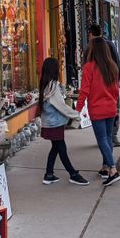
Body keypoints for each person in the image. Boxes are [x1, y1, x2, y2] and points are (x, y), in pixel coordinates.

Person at [38, 58, 90, 186]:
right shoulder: (53, 86)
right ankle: (73, 174)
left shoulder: (45, 84)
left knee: (55, 148)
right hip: (54, 124)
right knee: (61, 148)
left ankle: (49, 174)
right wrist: (75, 114)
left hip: (49, 123)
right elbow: (61, 106)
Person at [77, 37, 120, 186]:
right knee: (107, 138)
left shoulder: (89, 67)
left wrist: (77, 109)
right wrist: (115, 107)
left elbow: (84, 91)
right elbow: (116, 91)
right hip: (110, 108)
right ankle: (105, 167)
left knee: (102, 139)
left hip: (97, 109)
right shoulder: (112, 66)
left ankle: (113, 169)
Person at [83, 24, 120, 147]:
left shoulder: (89, 47)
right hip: (111, 84)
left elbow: (85, 66)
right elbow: (117, 64)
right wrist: (116, 81)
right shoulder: (109, 45)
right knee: (114, 110)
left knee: (99, 113)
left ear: (90, 34)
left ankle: (104, 138)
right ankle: (112, 136)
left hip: (97, 88)